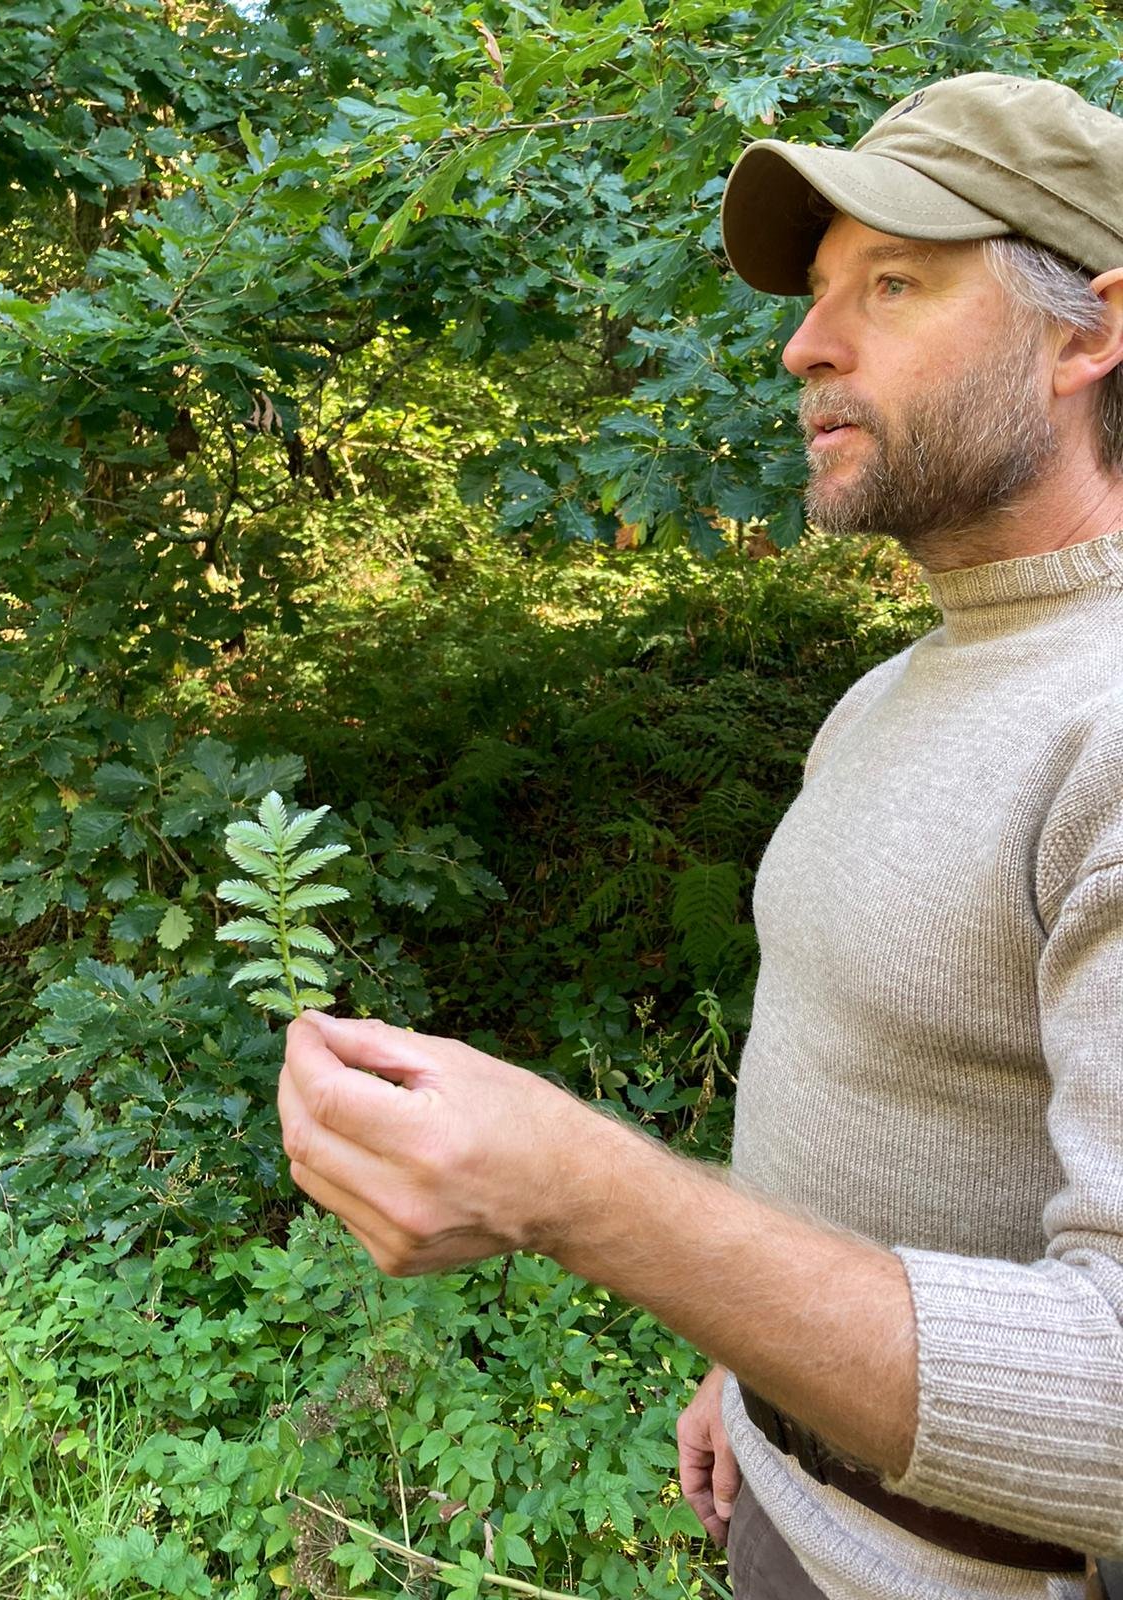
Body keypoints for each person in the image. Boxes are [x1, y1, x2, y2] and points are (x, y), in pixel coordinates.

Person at [277, 71, 1123, 1600]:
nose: (806, 345)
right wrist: (756, 1363)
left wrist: (581, 1192)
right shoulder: (890, 691)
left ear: (1092, 334)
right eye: (813, 294)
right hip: (789, 1513)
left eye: (895, 281)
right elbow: (878, 1118)